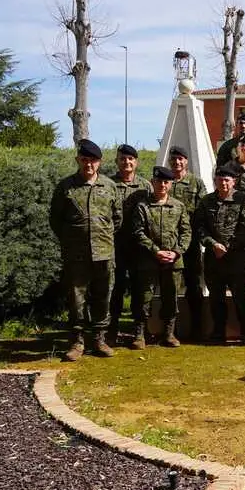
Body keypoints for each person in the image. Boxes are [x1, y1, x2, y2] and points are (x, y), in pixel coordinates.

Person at [49, 139, 122, 361]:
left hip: (104, 253)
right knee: (76, 298)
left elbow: (117, 219)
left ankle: (99, 339)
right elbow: (56, 220)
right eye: (84, 160)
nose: (88, 164)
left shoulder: (109, 186)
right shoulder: (66, 187)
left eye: (93, 160)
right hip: (76, 255)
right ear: (78, 160)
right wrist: (72, 240)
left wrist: (103, 238)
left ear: (99, 162)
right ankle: (77, 341)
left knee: (103, 296)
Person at [130, 166, 191, 348]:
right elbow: (138, 232)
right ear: (153, 182)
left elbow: (186, 232)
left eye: (166, 182)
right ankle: (140, 334)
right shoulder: (142, 206)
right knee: (144, 298)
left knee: (170, 298)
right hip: (148, 260)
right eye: (159, 181)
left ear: (170, 184)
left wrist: (177, 251)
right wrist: (155, 250)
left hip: (173, 261)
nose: (162, 185)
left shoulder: (179, 206)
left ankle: (169, 333)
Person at [196, 166, 245, 343]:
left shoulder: (243, 199)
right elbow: (199, 228)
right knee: (216, 298)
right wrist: (213, 244)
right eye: (220, 180)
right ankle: (218, 332)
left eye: (227, 180)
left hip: (236, 258)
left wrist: (227, 247)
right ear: (215, 181)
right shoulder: (206, 202)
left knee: (240, 298)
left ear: (233, 181)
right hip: (214, 258)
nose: (223, 183)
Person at [109, 144, 150, 346]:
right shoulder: (107, 184)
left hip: (139, 247)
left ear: (136, 162)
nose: (127, 162)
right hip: (114, 245)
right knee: (115, 288)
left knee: (139, 289)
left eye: (130, 159)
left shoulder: (145, 186)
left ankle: (139, 331)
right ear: (117, 161)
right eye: (123, 159)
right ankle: (111, 329)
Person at [165, 146, 207, 341]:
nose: (177, 162)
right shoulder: (165, 183)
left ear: (186, 161)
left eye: (180, 159)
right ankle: (170, 329)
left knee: (194, 285)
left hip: (190, 244)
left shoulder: (196, 183)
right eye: (174, 159)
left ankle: (197, 327)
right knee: (170, 287)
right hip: (168, 244)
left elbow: (203, 212)